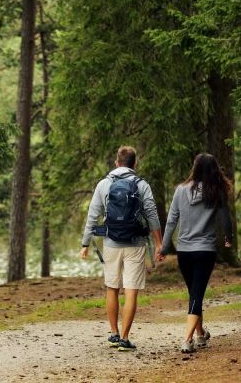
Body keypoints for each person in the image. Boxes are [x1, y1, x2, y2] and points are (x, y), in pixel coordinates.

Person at [80, 146, 163, 352]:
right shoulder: (142, 184)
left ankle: (114, 334)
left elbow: (93, 215)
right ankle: (125, 339)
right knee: (131, 291)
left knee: (112, 288)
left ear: (117, 162)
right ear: (135, 164)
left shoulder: (104, 184)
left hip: (111, 242)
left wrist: (85, 243)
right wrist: (159, 243)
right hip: (135, 243)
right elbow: (152, 214)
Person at [156, 153, 234, 353]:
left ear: (195, 169)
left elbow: (172, 220)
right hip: (205, 251)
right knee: (196, 295)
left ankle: (200, 335)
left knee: (194, 293)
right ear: (213, 170)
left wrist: (164, 247)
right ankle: (187, 339)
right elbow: (225, 218)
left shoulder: (180, 190)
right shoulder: (216, 191)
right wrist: (228, 238)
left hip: (184, 252)